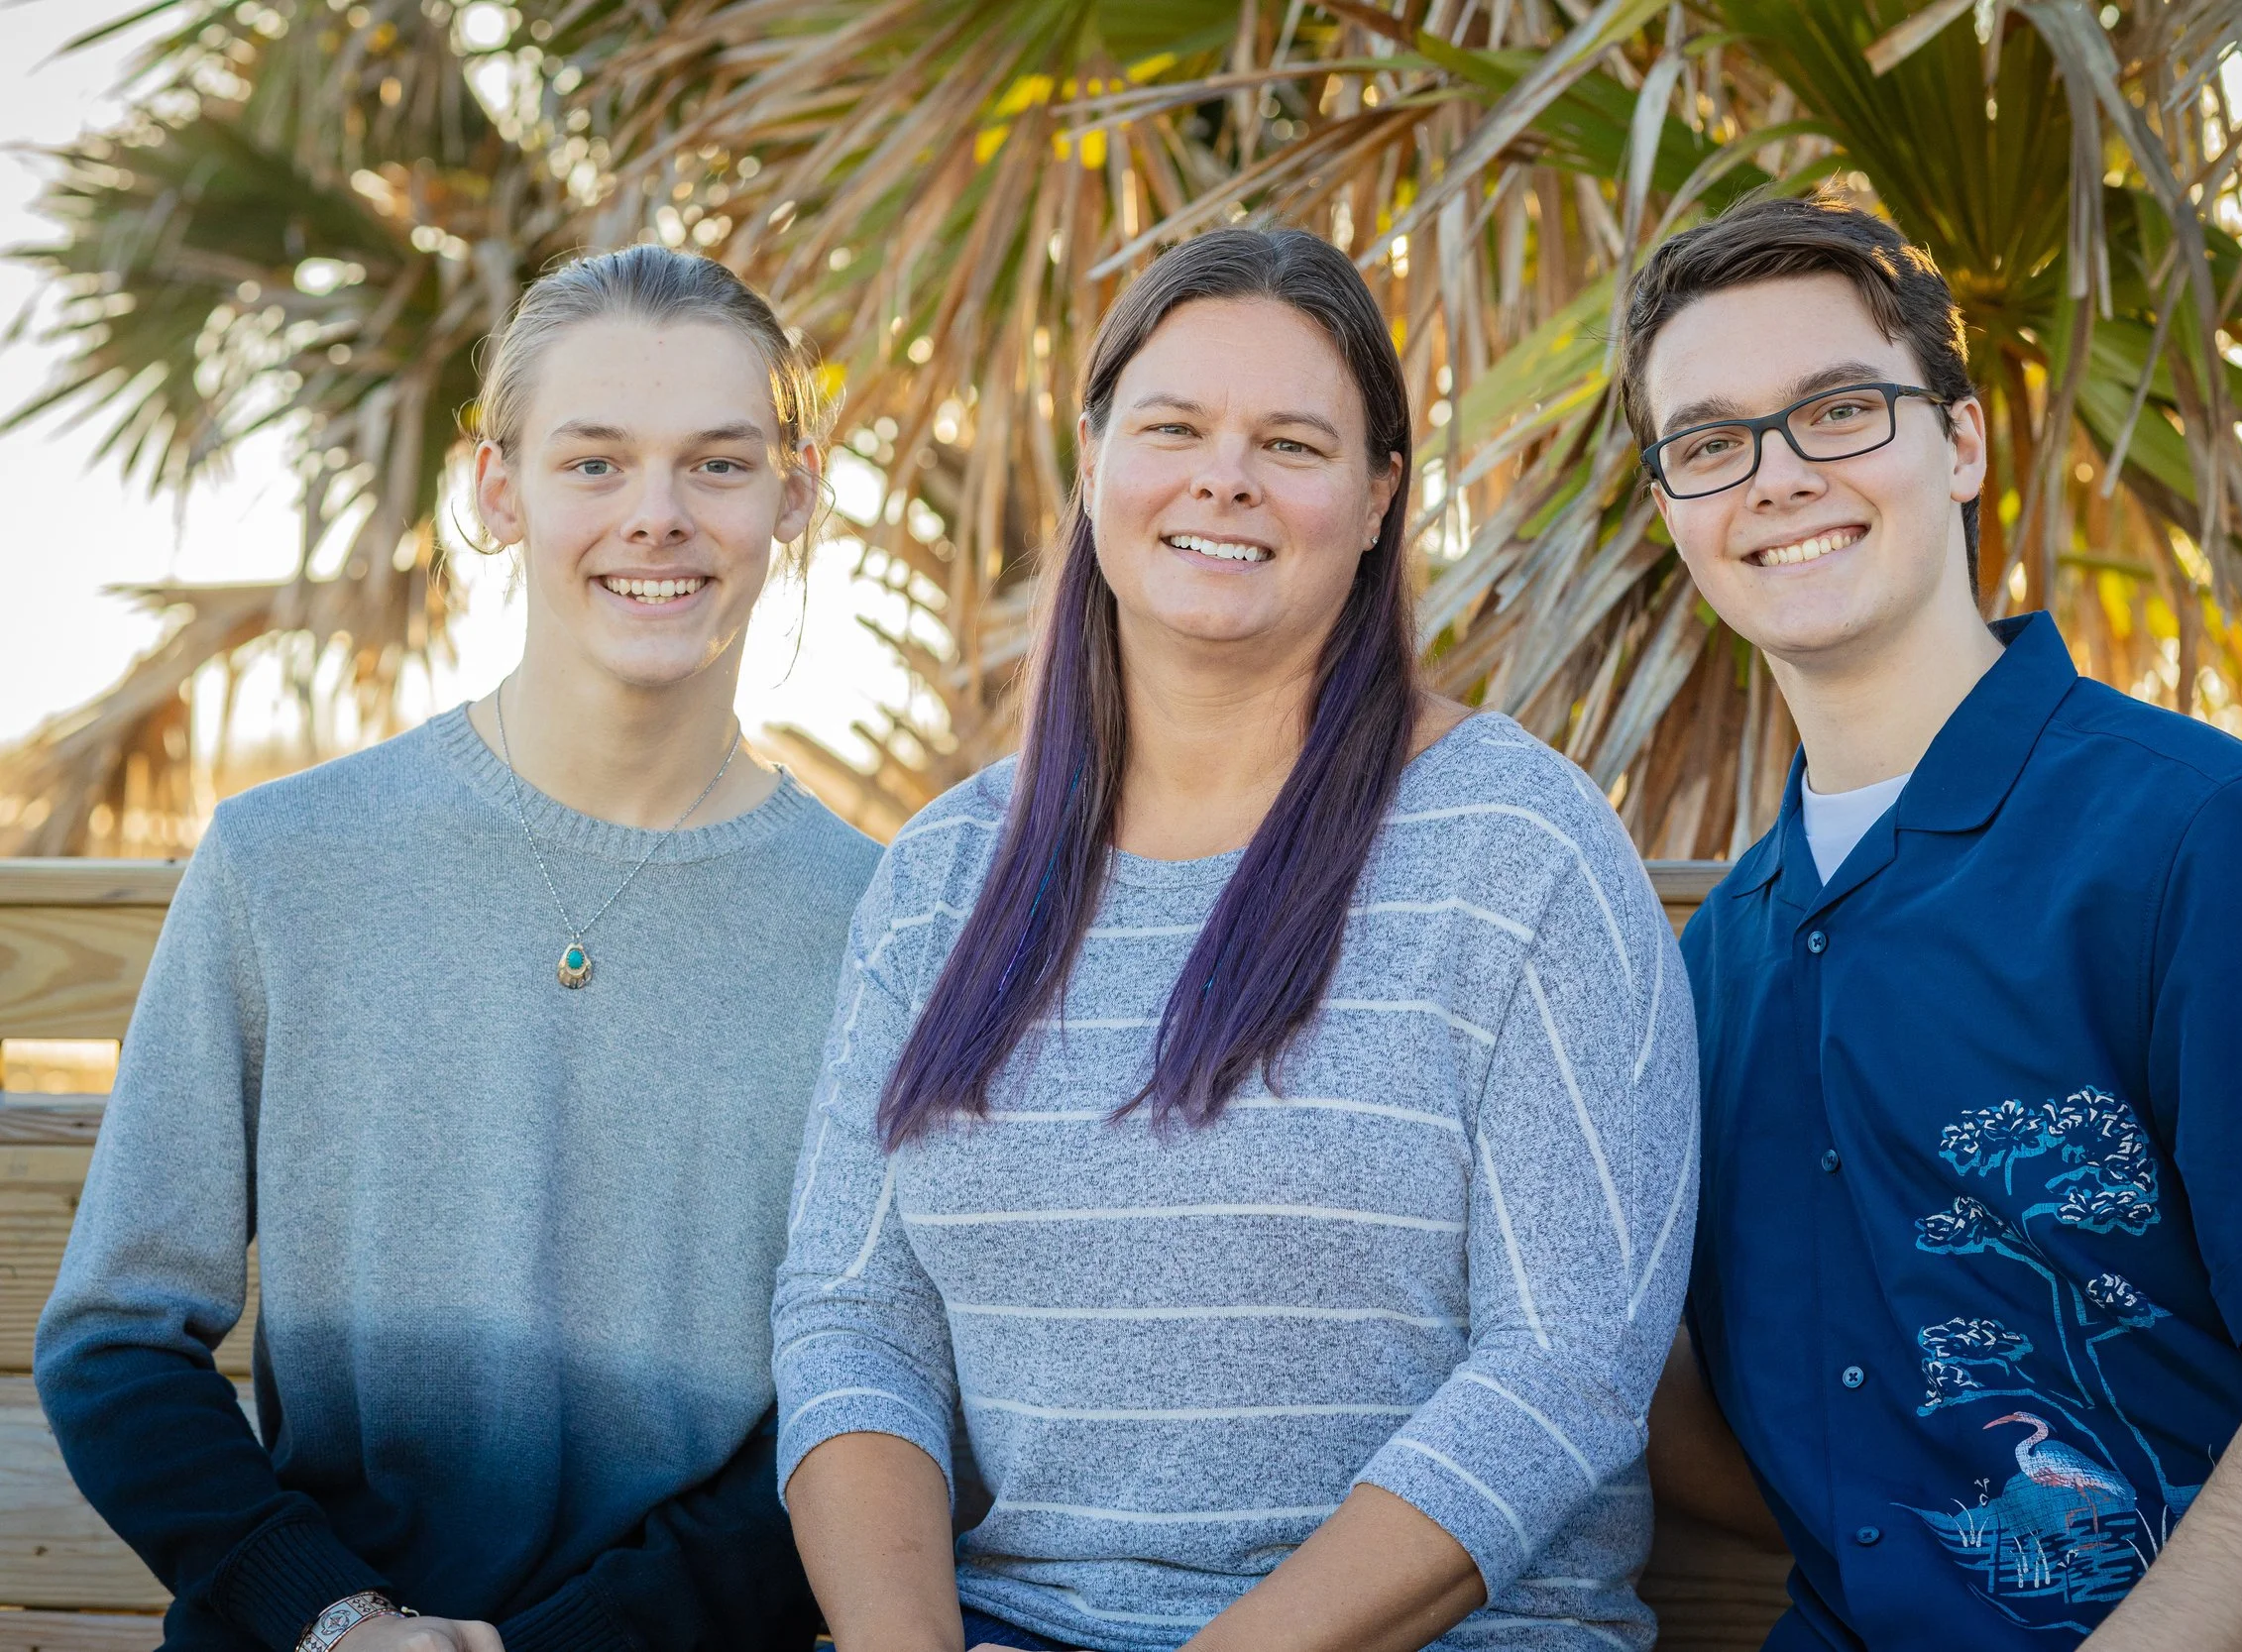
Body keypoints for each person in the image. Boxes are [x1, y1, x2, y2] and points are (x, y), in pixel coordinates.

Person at [770, 226, 1699, 1652]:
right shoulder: (944, 875)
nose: (1225, 477)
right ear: (1094, 463)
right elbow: (855, 1321)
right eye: (1175, 426)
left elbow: (1567, 1364)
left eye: (1291, 442)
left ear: (1382, 496)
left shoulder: (1518, 848)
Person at [1621, 187, 2242, 1648]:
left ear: (1959, 445)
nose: (1774, 477)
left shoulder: (2203, 840)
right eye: (1711, 443)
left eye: (1836, 411)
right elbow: (1719, 1432)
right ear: (1674, 514)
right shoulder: (1712, 965)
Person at [37, 245, 881, 1652]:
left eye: (718, 465)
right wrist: (339, 1615)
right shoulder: (285, 861)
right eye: (595, 463)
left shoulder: (879, 924)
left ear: (793, 492)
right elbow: (117, 1335)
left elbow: (861, 1399)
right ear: (500, 491)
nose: (657, 517)